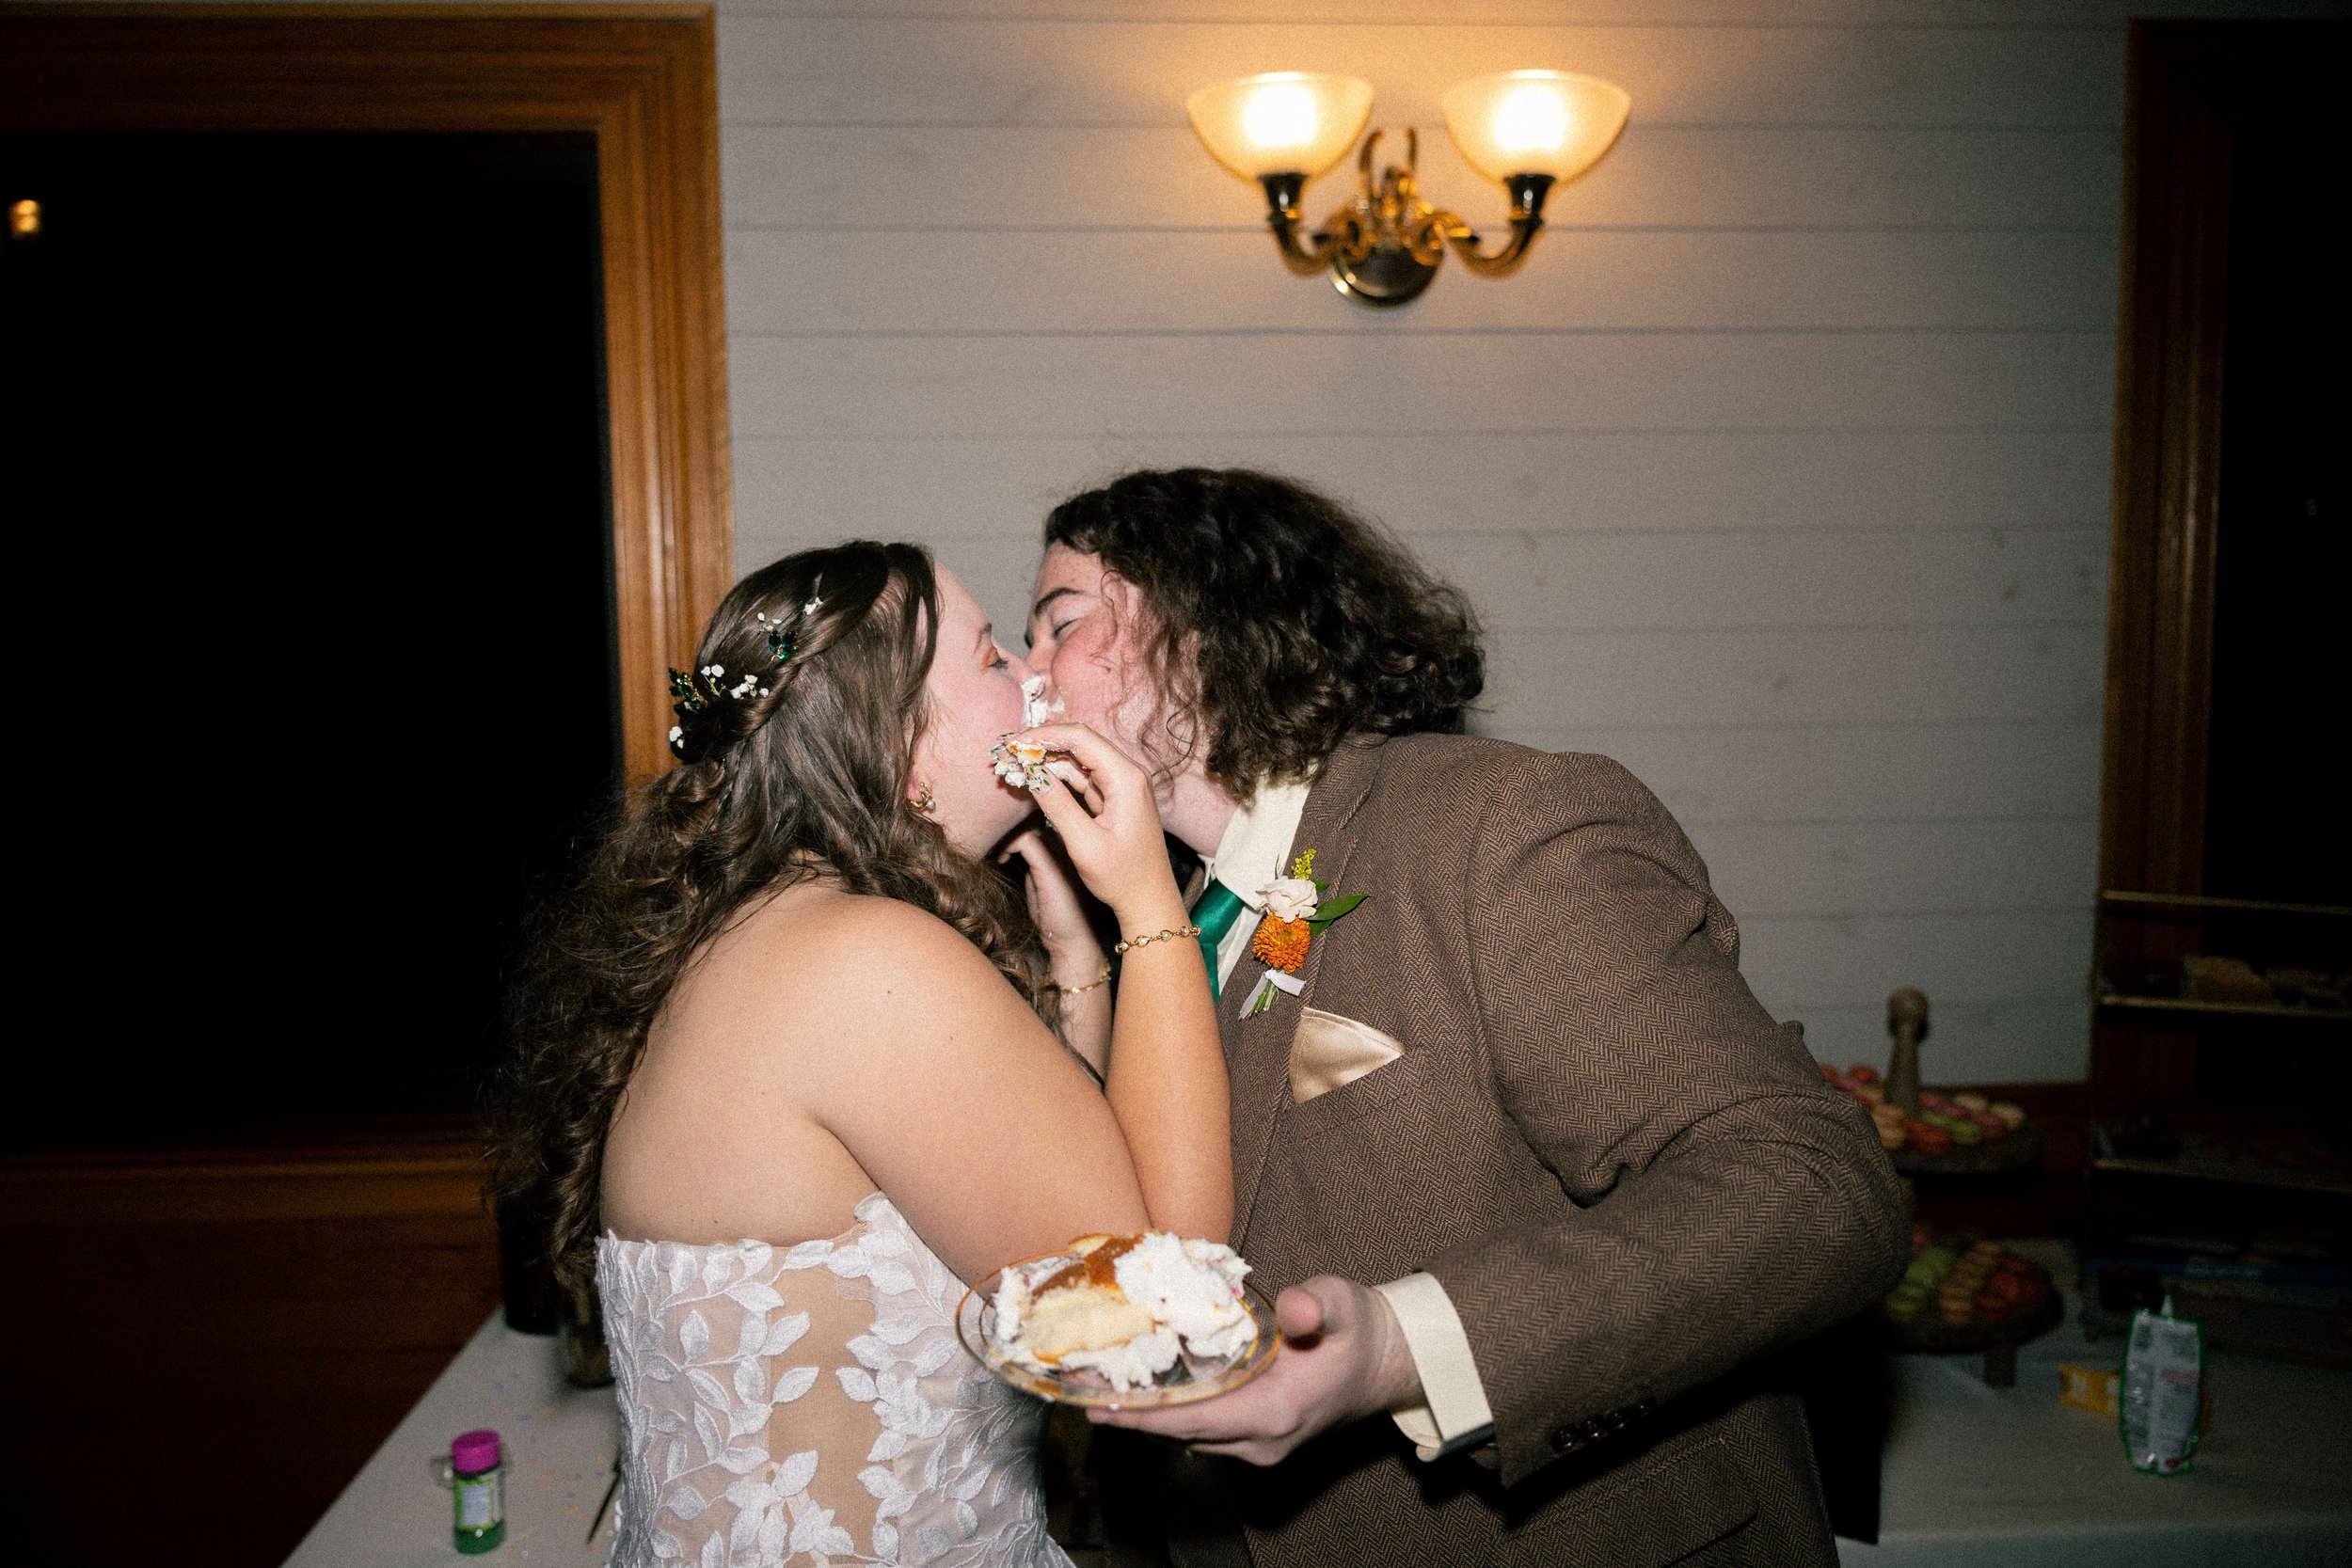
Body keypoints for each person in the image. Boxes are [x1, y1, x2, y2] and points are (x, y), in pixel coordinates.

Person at [1022, 469, 1910, 1567]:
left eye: (1059, 624)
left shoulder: (1491, 826)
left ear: (1206, 628)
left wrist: (1406, 1345)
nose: (1027, 674)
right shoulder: (1162, 919)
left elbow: (1809, 1187)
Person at [493, 540, 1229, 1568]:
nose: (1032, 678)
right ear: (897, 745)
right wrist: (1149, 905)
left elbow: (1053, 1179)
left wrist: (1074, 950)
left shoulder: (760, 930)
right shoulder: (868, 963)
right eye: (986, 659)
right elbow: (1164, 1323)